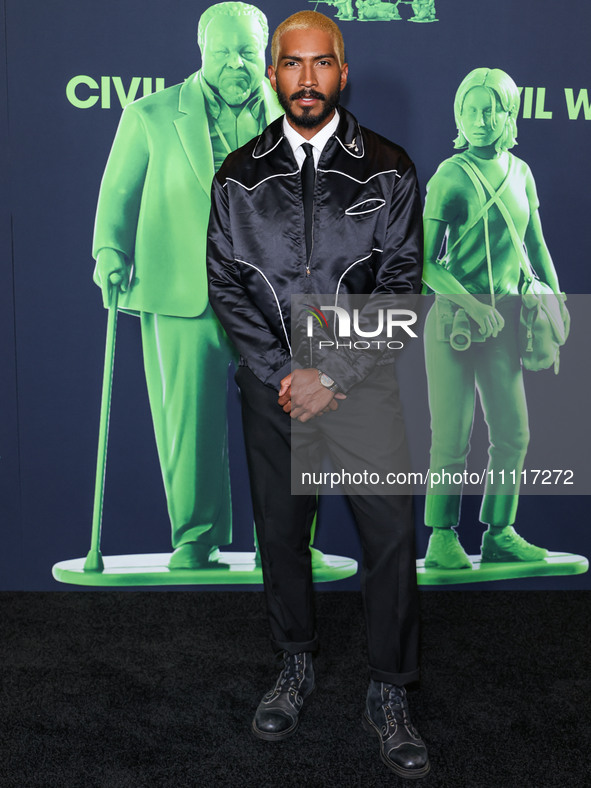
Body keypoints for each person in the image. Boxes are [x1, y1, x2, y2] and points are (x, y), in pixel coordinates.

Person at [207, 11, 429, 779]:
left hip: (361, 387)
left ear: (343, 72)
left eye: (321, 62)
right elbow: (227, 289)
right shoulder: (236, 175)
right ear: (273, 73)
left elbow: (403, 289)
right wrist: (283, 375)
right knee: (280, 535)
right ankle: (295, 662)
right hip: (273, 391)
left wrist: (329, 373)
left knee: (392, 539)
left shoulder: (390, 169)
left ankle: (390, 689)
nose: (306, 77)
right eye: (291, 63)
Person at [92, 2, 281, 569]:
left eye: (246, 51)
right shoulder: (150, 114)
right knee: (187, 417)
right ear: (201, 52)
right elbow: (118, 194)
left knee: (288, 417)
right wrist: (109, 252)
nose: (234, 63)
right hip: (182, 288)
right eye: (222, 51)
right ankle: (195, 536)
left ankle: (290, 539)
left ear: (264, 54)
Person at [421, 67, 567, 570]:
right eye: (470, 109)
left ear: (509, 114)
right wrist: (471, 304)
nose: (480, 120)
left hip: (507, 320)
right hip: (455, 324)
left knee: (513, 433)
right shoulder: (449, 175)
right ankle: (442, 536)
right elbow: (422, 263)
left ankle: (499, 531)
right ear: (458, 114)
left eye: (491, 110)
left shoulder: (521, 172)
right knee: (452, 437)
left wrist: (556, 296)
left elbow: (536, 244)